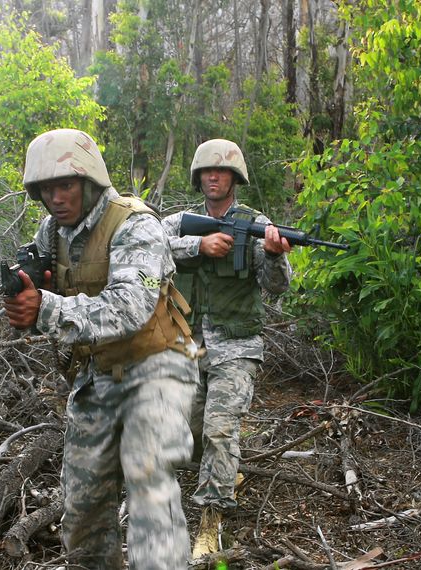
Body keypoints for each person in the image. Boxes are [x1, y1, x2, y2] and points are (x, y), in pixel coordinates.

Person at [2, 128, 201, 570]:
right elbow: (46, 301)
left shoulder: (135, 224)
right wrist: (25, 303)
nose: (56, 197)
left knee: (150, 492)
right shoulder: (50, 233)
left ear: (89, 182)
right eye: (47, 188)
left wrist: (47, 308)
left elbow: (130, 308)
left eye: (66, 185)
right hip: (97, 374)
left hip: (157, 368)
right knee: (84, 506)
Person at [161, 139, 293, 557]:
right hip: (188, 345)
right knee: (190, 434)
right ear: (198, 177)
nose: (213, 177)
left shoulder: (257, 223)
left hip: (236, 345)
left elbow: (278, 287)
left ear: (235, 178)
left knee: (220, 430)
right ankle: (224, 471)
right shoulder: (180, 222)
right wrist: (197, 246)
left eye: (221, 172)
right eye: (206, 171)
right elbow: (146, 249)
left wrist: (272, 255)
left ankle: (210, 524)